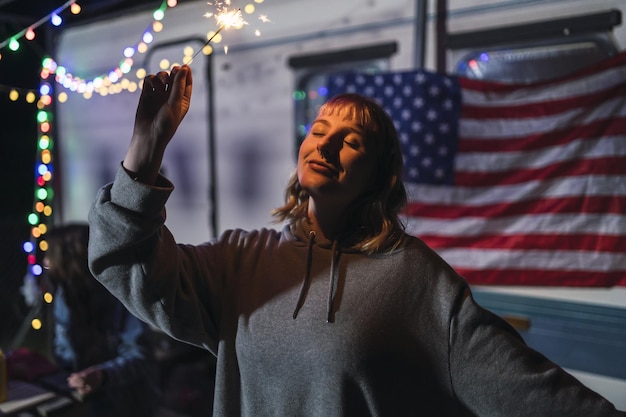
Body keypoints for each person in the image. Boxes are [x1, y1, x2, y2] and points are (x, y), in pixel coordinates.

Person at [87, 64, 625, 417]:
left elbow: (526, 390)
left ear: (378, 177)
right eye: (320, 131)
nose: (327, 144)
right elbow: (123, 265)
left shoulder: (414, 278)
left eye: (352, 141)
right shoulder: (241, 259)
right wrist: (146, 146)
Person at [44, 223, 160, 417]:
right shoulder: (65, 296)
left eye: (50, 254)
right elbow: (64, 356)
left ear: (69, 257)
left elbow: (140, 356)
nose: (46, 261)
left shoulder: (119, 293)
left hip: (126, 401)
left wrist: (103, 375)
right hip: (82, 398)